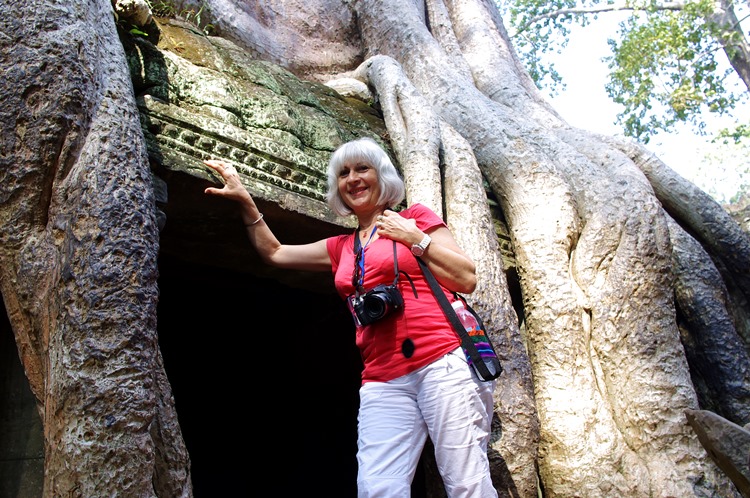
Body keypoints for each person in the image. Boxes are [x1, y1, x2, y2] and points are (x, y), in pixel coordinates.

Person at [204, 137, 498, 497]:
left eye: (362, 168)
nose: (353, 178)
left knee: (466, 481)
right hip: (382, 377)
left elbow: (465, 278)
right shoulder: (340, 248)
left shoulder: (415, 218)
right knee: (377, 487)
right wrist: (245, 201)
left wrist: (415, 238)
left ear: (381, 175)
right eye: (343, 173)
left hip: (443, 361)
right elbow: (276, 253)